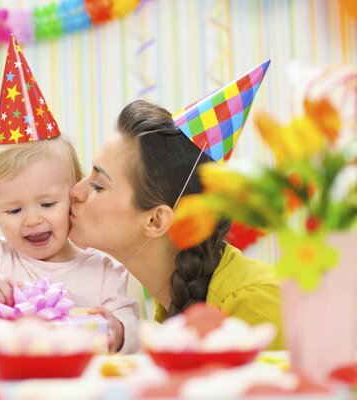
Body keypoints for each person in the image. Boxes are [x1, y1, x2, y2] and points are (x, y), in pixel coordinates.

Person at [0, 36, 139, 354]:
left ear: (74, 195)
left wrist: (117, 329)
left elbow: (131, 324)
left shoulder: (103, 268)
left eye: (47, 204)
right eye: (13, 211)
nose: (32, 219)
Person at [69, 99, 284, 350]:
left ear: (156, 220)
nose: (75, 191)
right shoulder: (173, 301)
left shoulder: (254, 304)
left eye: (98, 185)